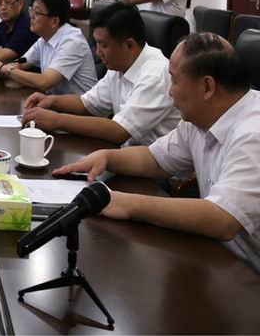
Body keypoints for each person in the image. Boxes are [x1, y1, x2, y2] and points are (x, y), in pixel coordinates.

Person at [54, 33, 260, 271]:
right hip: (220, 257)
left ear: (207, 87)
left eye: (174, 80)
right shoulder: (200, 118)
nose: (169, 91)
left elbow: (222, 219)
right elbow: (154, 159)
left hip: (250, 274)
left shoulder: (252, 135)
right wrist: (106, 157)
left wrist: (128, 203)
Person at [21, 1, 179, 146]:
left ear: (129, 46)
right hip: (128, 154)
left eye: (104, 45)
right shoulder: (119, 66)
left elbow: (119, 131)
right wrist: (51, 101)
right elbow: (87, 104)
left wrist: (56, 120)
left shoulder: (156, 74)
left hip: (154, 164)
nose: (98, 52)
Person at [0, 0, 97, 95]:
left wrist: (5, 69)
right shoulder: (44, 39)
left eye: (37, 12)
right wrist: (1, 70)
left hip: (78, 106)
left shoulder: (72, 42)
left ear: (54, 21)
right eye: (31, 10)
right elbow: (20, 64)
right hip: (53, 102)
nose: (31, 16)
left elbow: (45, 82)